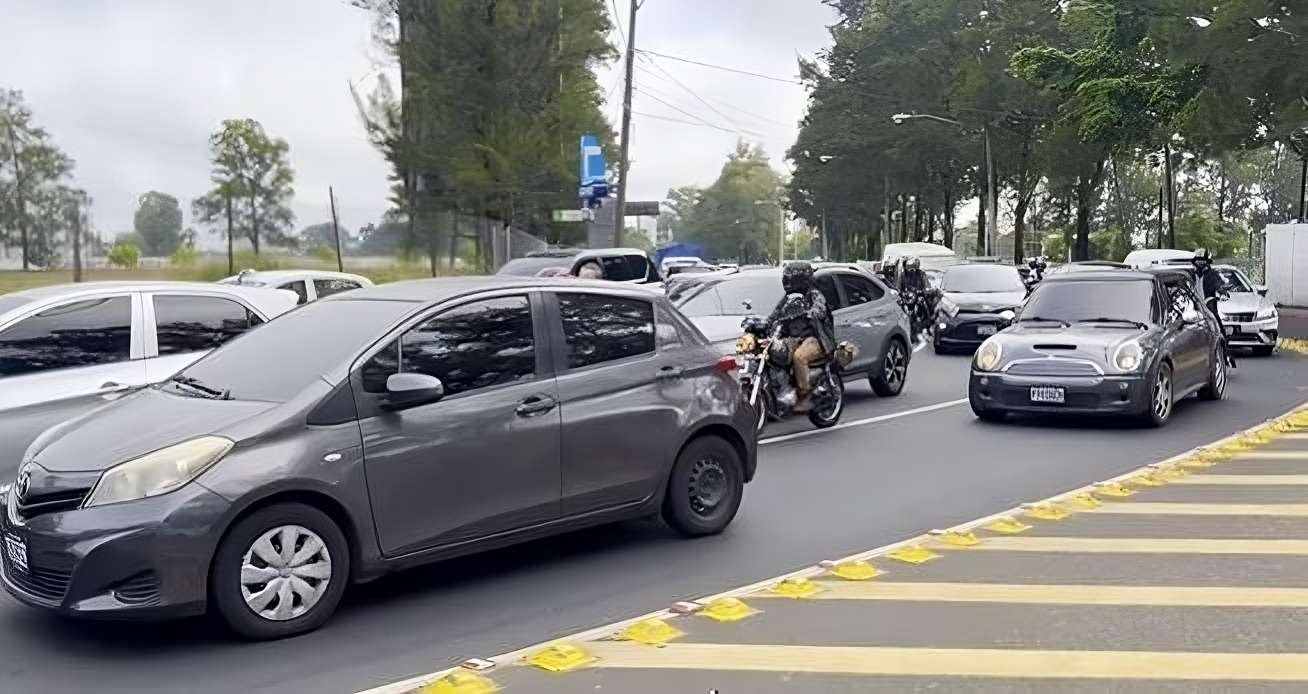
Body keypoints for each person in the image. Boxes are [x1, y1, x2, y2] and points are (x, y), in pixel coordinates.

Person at [766, 261, 836, 409]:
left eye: (790, 277)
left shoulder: (814, 294)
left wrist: (807, 313)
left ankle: (804, 394)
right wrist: (765, 323)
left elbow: (820, 310)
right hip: (792, 339)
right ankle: (781, 389)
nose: (787, 281)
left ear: (801, 279)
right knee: (774, 354)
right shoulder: (788, 298)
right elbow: (775, 313)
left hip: (814, 338)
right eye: (786, 277)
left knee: (799, 357)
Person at [1191, 248, 1237, 368]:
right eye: (1198, 260)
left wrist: (1222, 290)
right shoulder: (1190, 275)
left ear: (1207, 262)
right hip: (1194, 308)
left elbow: (1220, 285)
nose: (1200, 262)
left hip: (1209, 307)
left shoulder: (1212, 274)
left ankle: (1225, 356)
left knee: (1218, 329)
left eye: (1202, 260)